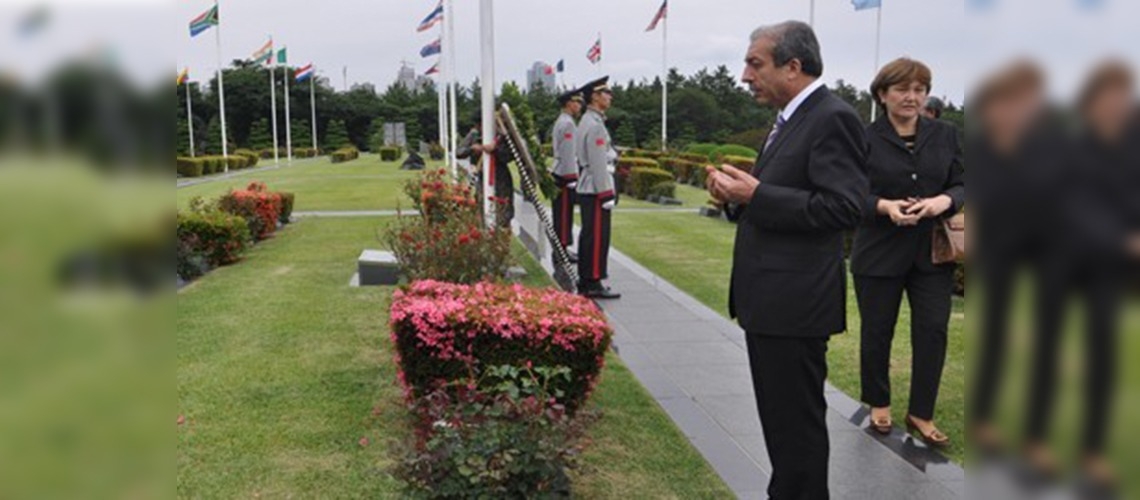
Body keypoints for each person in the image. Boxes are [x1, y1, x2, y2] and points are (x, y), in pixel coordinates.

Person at [705, 21, 868, 499]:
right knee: (783, 430)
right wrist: (737, 197)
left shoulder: (831, 117)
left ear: (793, 67)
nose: (743, 75)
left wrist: (757, 194)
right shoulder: (791, 118)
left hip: (795, 305)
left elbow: (844, 208)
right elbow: (784, 197)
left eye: (755, 64)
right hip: (774, 302)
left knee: (796, 433)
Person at [849, 58, 965, 449]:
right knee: (877, 331)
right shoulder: (862, 137)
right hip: (878, 251)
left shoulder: (946, 134)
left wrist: (942, 201)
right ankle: (878, 402)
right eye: (902, 89)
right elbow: (850, 194)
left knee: (933, 331)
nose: (912, 97)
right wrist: (885, 207)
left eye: (920, 89)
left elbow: (965, 184)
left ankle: (921, 412)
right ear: (883, 94)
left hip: (932, 253)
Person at [575, 76, 621, 299]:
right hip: (595, 187)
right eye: (606, 92)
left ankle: (587, 279)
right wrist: (606, 193)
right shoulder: (594, 125)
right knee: (596, 236)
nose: (609, 96)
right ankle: (592, 281)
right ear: (594, 96)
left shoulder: (591, 120)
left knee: (590, 235)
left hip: (590, 184)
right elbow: (597, 162)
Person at [456, 115, 515, 228]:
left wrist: (494, 150)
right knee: (482, 208)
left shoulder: (502, 136)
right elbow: (459, 152)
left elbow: (509, 156)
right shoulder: (474, 135)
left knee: (504, 211)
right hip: (482, 176)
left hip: (501, 177)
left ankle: (503, 236)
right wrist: (473, 149)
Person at [551, 87, 585, 263]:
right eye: (577, 102)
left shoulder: (563, 121)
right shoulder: (568, 124)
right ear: (568, 103)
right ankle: (561, 249)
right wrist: (572, 177)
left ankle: (561, 248)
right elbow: (568, 152)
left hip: (560, 171)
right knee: (564, 214)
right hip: (564, 175)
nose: (579, 105)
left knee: (562, 214)